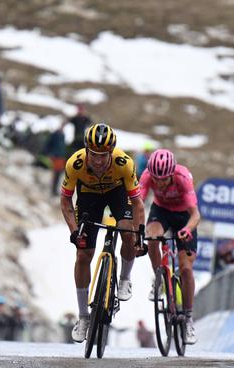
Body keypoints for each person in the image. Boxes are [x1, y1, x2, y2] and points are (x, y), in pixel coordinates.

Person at [60, 123, 145, 343]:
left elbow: (137, 203)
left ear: (111, 152)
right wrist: (73, 231)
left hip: (117, 192)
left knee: (128, 232)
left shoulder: (124, 163)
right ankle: (83, 317)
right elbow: (66, 199)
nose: (98, 161)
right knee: (83, 255)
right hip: (88, 197)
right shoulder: (75, 164)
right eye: (94, 155)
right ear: (87, 151)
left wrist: (140, 233)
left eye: (103, 155)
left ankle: (125, 278)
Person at [139, 149, 200, 344]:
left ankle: (189, 319)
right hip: (161, 211)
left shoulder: (182, 177)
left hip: (184, 216)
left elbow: (195, 215)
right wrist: (136, 228)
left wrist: (188, 229)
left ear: (172, 173)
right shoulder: (148, 175)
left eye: (164, 179)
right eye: (155, 179)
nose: (159, 183)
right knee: (152, 237)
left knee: (186, 268)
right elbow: (138, 203)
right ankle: (159, 279)